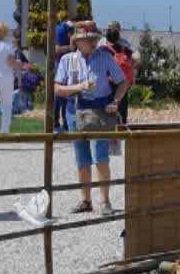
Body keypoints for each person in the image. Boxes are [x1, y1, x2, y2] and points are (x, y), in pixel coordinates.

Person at [54, 22, 130, 214]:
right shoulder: (67, 60)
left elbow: (123, 82)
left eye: (92, 39)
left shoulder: (105, 58)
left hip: (100, 111)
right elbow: (57, 88)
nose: (91, 42)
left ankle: (105, 201)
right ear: (77, 41)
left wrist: (115, 101)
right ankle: (86, 200)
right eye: (86, 39)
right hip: (74, 110)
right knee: (81, 157)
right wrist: (79, 87)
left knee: (101, 157)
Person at [0, 21, 21, 133]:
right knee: (7, 104)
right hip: (6, 75)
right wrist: (19, 63)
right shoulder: (9, 45)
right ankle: (5, 131)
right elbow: (11, 62)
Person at [104, 24, 136, 126]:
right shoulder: (125, 49)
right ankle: (122, 128)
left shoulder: (104, 50)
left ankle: (110, 129)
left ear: (106, 37)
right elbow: (136, 58)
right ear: (118, 37)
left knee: (109, 108)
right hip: (123, 82)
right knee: (122, 107)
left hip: (109, 83)